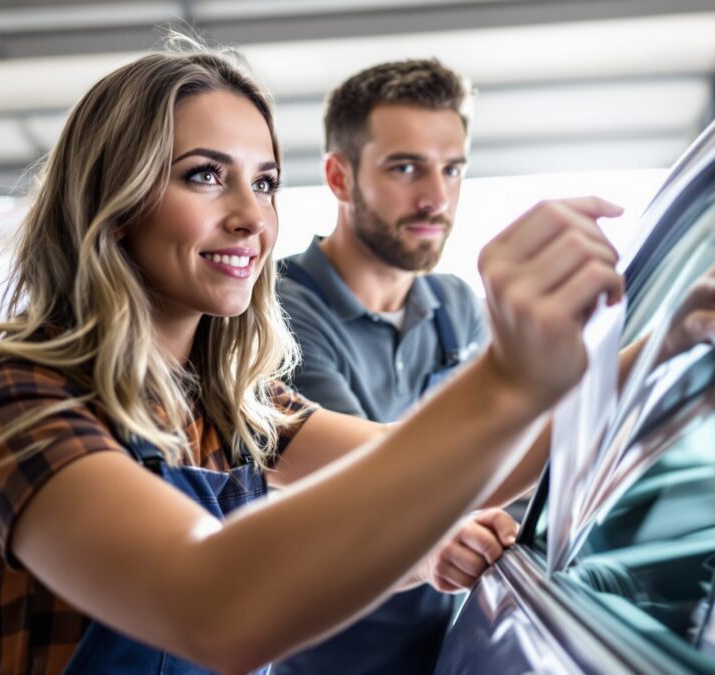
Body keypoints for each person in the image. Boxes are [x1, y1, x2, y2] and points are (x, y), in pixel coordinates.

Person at [0, 40, 626, 675]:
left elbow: (460, 468)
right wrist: (506, 379)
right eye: (204, 175)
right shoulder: (7, 398)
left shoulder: (231, 403)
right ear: (115, 196)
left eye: (263, 182)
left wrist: (657, 352)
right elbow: (210, 602)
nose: (250, 217)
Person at [274, 59, 506, 674]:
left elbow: (503, 458)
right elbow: (367, 497)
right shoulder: (278, 315)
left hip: (451, 651)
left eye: (451, 168)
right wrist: (432, 548)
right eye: (406, 168)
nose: (436, 197)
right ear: (339, 177)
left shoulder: (456, 306)